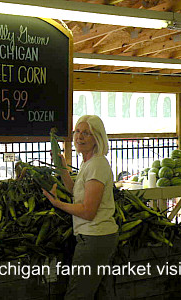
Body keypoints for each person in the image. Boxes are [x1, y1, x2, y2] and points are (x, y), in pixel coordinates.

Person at [43, 115, 118, 300]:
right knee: (100, 293)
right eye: (77, 131)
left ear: (97, 138)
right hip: (99, 237)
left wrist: (57, 203)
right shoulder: (88, 163)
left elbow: (88, 211)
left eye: (86, 133)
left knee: (77, 295)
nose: (79, 137)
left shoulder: (97, 165)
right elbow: (76, 192)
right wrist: (62, 169)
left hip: (95, 238)